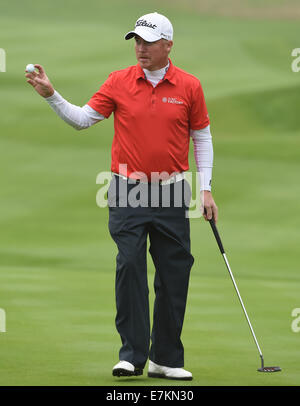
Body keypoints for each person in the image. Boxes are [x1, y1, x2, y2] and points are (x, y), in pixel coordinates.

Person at [25, 12, 218, 381]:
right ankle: (131, 356)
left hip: (173, 190)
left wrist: (205, 188)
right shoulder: (119, 81)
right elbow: (83, 119)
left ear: (168, 45)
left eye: (148, 42)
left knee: (174, 274)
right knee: (129, 266)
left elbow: (202, 138)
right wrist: (52, 96)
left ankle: (165, 359)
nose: (140, 48)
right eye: (137, 41)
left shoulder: (189, 86)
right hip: (127, 188)